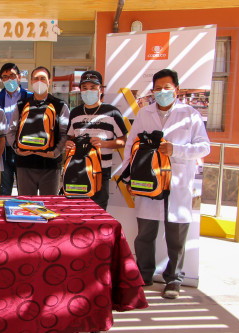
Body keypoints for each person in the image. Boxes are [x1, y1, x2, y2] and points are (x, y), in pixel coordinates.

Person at [121, 69, 210, 299]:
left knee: (176, 237)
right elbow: (131, 144)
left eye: (167, 88)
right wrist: (129, 176)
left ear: (176, 89)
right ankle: (144, 274)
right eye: (158, 88)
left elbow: (204, 147)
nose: (162, 92)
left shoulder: (190, 115)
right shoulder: (144, 113)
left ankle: (174, 280)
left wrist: (175, 150)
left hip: (178, 183)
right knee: (145, 234)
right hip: (149, 181)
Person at [65, 70, 128, 210]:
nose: (88, 91)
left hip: (101, 171)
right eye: (85, 88)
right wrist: (68, 144)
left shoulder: (112, 112)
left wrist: (105, 144)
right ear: (80, 89)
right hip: (77, 169)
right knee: (76, 211)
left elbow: (124, 140)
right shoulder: (75, 113)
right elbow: (70, 138)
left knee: (97, 213)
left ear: (101, 89)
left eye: (93, 87)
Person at [7, 66, 69, 195]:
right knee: (26, 206)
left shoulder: (60, 105)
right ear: (31, 81)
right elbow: (11, 131)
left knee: (49, 206)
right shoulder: (21, 105)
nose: (39, 81)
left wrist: (55, 152)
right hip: (25, 165)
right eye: (36, 78)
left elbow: (65, 134)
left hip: (50, 165)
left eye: (43, 78)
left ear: (49, 82)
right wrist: (17, 149)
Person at [0, 63, 33, 195]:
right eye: (5, 77)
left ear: (19, 77)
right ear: (2, 80)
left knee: (25, 190)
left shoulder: (30, 97)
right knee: (4, 190)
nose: (9, 79)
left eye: (12, 76)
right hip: (4, 151)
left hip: (24, 149)